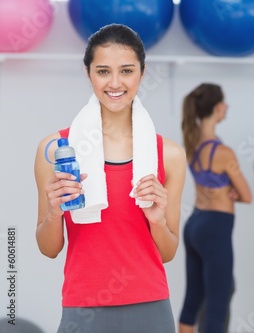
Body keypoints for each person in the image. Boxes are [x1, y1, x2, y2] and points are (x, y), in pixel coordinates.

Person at [34, 24, 186, 333]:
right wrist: (53, 212)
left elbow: (168, 253)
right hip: (83, 309)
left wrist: (157, 220)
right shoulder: (57, 150)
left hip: (151, 308)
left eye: (127, 71)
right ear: (88, 73)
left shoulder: (168, 155)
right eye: (103, 71)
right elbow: (48, 248)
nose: (115, 83)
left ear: (142, 73)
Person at [179, 83, 252, 333]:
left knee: (193, 300)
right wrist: (232, 191)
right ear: (218, 107)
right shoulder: (223, 152)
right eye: (225, 103)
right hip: (216, 227)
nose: (227, 107)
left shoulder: (191, 143)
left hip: (194, 224)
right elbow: (247, 195)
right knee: (217, 304)